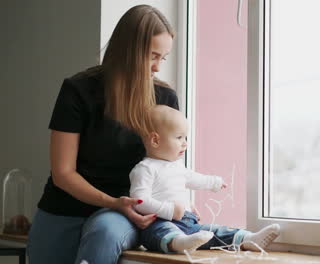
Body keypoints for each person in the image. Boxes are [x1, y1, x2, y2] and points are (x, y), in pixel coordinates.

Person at [27, 5, 178, 264]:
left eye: (162, 58)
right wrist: (111, 201)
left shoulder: (165, 98)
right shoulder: (78, 90)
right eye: (152, 56)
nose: (157, 68)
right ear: (128, 51)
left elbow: (168, 166)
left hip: (125, 214)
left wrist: (176, 201)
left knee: (105, 231)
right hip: (64, 210)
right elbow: (63, 174)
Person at [129, 105, 281, 254]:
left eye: (185, 137)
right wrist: (169, 210)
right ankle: (179, 243)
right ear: (155, 140)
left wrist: (214, 182)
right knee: (164, 232)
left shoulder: (177, 166)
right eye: (179, 137)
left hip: (189, 222)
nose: (185, 143)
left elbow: (194, 178)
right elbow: (138, 201)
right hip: (159, 222)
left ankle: (249, 239)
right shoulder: (145, 169)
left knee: (214, 231)